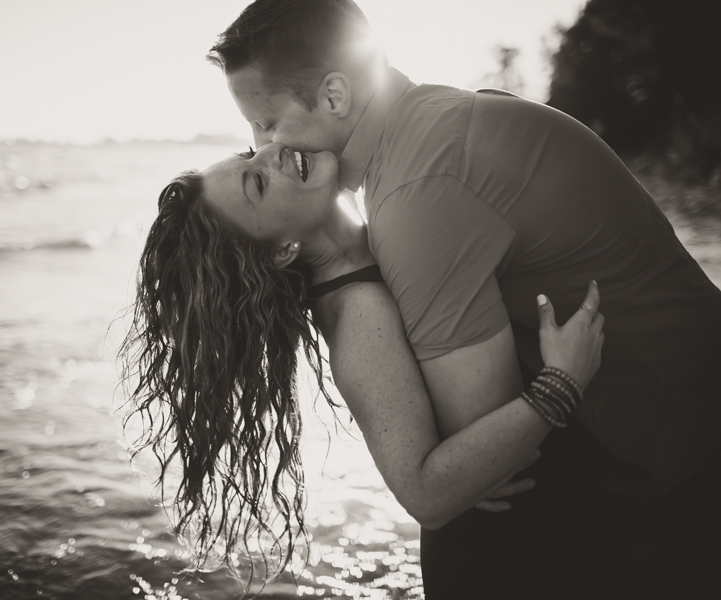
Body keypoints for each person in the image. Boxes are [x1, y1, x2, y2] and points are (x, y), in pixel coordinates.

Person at [206, 0, 721, 597]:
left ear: (335, 96)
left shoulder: (418, 195)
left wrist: (492, 440)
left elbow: (490, 449)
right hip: (697, 394)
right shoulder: (438, 118)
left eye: (266, 124)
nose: (264, 143)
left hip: (670, 442)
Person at [120, 149, 605, 591]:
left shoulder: (380, 241)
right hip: (501, 566)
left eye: (253, 152)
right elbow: (424, 493)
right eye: (258, 182)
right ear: (283, 250)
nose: (273, 151)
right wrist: (561, 384)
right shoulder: (357, 315)